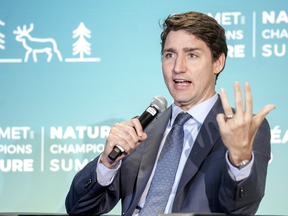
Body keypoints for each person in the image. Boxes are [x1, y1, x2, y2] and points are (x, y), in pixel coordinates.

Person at [65, 11, 275, 216]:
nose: (177, 68)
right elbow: (78, 209)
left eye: (192, 55)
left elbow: (240, 209)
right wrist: (107, 163)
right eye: (170, 55)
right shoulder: (143, 129)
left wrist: (239, 160)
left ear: (217, 62)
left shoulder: (242, 128)